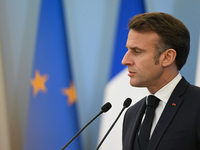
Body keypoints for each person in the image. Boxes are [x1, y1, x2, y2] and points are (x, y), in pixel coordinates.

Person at [122, 12, 200, 150]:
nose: (125, 61)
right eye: (127, 50)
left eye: (137, 51)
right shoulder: (131, 114)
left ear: (167, 57)